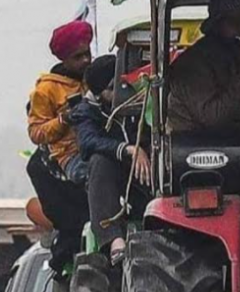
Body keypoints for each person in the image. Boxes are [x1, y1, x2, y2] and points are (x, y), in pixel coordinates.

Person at [69, 55, 151, 265]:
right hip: (116, 179)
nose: (118, 92)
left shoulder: (145, 104)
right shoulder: (85, 111)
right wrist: (127, 149)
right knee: (99, 161)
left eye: (122, 85)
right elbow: (87, 143)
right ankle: (113, 239)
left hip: (148, 175)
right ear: (99, 92)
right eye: (111, 88)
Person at [167, 0, 240, 133]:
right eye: (233, 22)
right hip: (195, 145)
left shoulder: (232, 55)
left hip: (229, 142)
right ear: (217, 23)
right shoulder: (194, 63)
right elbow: (213, 117)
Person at [27, 20, 93, 185]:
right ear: (64, 60)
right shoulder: (45, 90)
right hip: (72, 157)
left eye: (87, 54)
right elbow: (36, 133)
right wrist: (64, 120)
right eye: (78, 57)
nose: (86, 60)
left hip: (98, 146)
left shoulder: (95, 76)